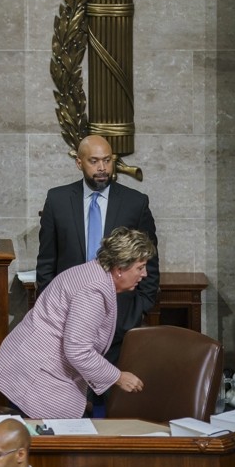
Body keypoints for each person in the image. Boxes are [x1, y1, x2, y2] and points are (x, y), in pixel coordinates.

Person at [0, 227, 154, 419]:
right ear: (119, 269)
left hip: (29, 362)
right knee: (63, 441)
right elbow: (78, 350)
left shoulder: (94, 271)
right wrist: (118, 377)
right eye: (140, 267)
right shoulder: (94, 291)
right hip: (37, 371)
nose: (145, 274)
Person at [36, 134, 159, 364]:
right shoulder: (57, 200)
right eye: (94, 161)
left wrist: (138, 309)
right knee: (73, 393)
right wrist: (53, 310)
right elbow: (46, 263)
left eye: (107, 160)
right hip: (68, 315)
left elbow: (150, 260)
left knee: (114, 392)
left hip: (119, 317)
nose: (102, 167)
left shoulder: (135, 202)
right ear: (79, 163)